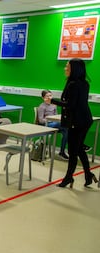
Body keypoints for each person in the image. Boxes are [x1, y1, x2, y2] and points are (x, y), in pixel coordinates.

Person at [52, 58, 96, 188]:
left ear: (74, 69)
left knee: (73, 151)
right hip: (84, 119)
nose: (65, 69)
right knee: (79, 148)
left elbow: (70, 105)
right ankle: (88, 175)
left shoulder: (73, 84)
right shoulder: (84, 83)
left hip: (77, 122)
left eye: (67, 67)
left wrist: (52, 101)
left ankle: (68, 178)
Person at [37, 90, 68, 160]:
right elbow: (41, 120)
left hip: (55, 124)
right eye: (47, 96)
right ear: (43, 98)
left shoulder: (54, 105)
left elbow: (56, 115)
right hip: (46, 125)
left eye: (50, 96)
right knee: (63, 125)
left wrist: (56, 119)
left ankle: (62, 152)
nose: (49, 98)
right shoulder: (42, 106)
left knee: (66, 130)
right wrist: (50, 119)